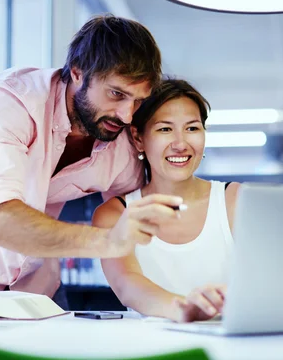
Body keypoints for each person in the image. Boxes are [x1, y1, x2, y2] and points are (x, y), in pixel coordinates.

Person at [0, 15, 185, 309]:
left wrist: (181, 299)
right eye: (116, 94)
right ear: (78, 73)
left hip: (35, 280)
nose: (127, 115)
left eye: (138, 101)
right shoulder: (7, 103)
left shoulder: (121, 142)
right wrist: (108, 240)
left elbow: (140, 214)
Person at [92, 79, 241, 322]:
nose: (181, 144)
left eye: (192, 128)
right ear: (138, 138)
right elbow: (127, 285)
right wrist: (184, 309)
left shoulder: (235, 200)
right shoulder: (115, 214)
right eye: (165, 129)